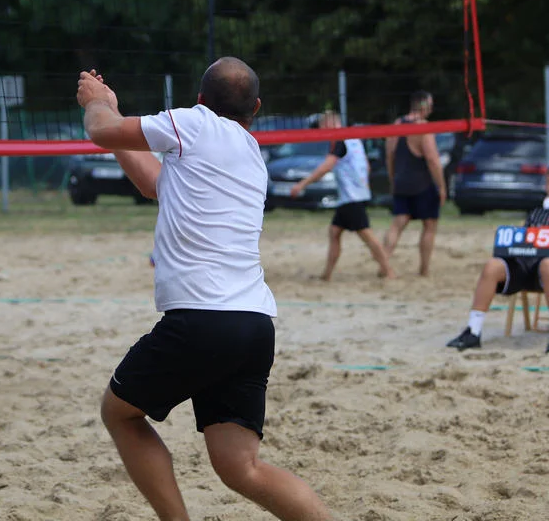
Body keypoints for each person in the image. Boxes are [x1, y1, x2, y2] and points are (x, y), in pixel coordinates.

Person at [76, 58, 333, 521]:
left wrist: (99, 103)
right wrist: (116, 126)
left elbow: (101, 130)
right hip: (254, 325)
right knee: (242, 469)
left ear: (199, 100)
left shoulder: (194, 124)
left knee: (119, 414)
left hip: (202, 320)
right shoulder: (250, 154)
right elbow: (156, 185)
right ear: (255, 107)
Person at [446, 164, 549, 355]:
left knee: (547, 264)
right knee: (492, 265)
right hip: (526, 266)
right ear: (545, 186)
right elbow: (523, 242)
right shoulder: (536, 214)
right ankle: (473, 331)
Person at [288, 111, 393, 281]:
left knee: (367, 235)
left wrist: (302, 184)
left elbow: (326, 167)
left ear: (329, 124)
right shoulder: (353, 137)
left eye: (321, 127)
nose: (321, 131)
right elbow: (367, 167)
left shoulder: (339, 141)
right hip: (356, 194)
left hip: (352, 197)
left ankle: (388, 270)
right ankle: (327, 275)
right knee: (335, 231)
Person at [383, 91, 447, 276]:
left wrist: (392, 178)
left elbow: (390, 155)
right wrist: (442, 186)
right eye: (430, 105)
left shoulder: (398, 124)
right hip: (422, 183)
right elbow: (432, 160)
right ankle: (424, 269)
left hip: (401, 181)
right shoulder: (423, 127)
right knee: (429, 226)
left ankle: (384, 263)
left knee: (397, 224)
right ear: (423, 106)